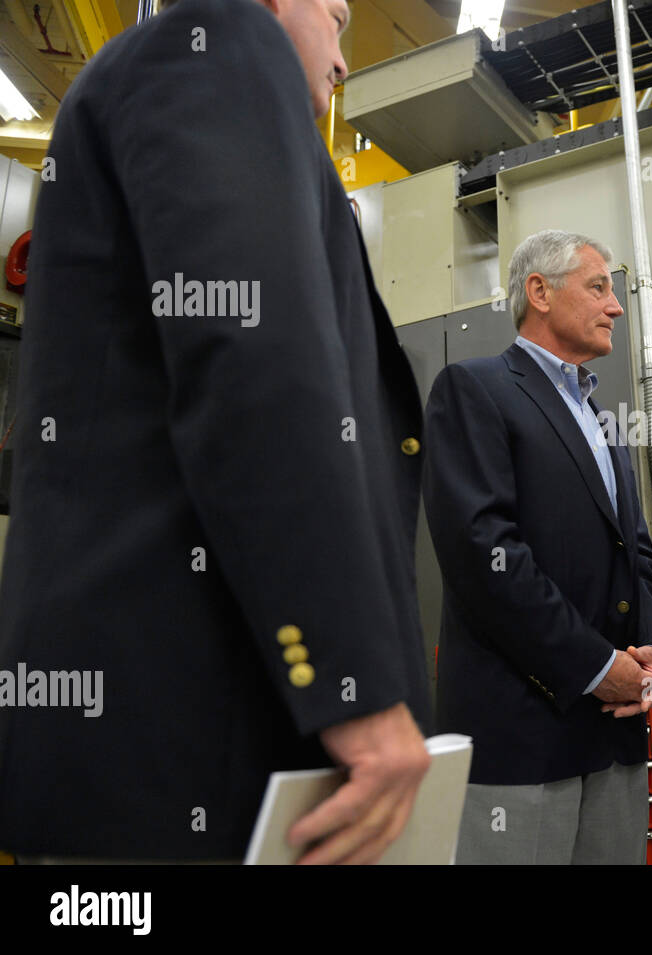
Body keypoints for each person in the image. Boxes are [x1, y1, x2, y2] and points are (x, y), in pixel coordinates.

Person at [0, 0, 433, 864]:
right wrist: (352, 679)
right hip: (189, 747)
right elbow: (255, 357)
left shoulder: (162, 82)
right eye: (339, 21)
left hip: (166, 750)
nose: (344, 62)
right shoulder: (218, 43)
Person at [423, 229, 652, 865]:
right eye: (598, 287)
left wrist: (651, 656)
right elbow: (485, 556)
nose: (616, 306)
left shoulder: (601, 418)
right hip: (523, 733)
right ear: (539, 291)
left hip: (614, 732)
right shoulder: (474, 390)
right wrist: (596, 668)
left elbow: (639, 554)